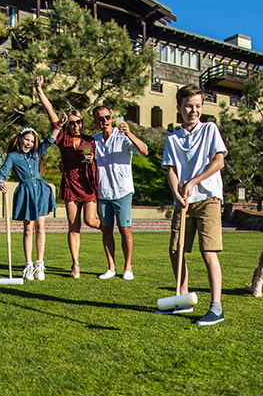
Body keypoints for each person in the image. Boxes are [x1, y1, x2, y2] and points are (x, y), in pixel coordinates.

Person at [161, 84, 228, 326]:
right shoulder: (173, 138)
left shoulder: (210, 129)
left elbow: (218, 161)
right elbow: (170, 169)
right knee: (176, 250)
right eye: (189, 106)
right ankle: (183, 299)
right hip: (184, 201)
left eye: (198, 106)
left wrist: (194, 181)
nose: (194, 110)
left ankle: (216, 308)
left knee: (208, 251)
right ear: (179, 108)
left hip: (208, 197)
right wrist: (177, 191)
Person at [35, 76, 101, 278]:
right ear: (68, 125)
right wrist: (39, 90)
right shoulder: (62, 139)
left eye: (79, 122)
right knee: (73, 227)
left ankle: (107, 227)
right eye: (72, 123)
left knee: (90, 221)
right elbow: (51, 115)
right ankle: (75, 265)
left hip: (87, 187)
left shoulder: (89, 140)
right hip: (70, 187)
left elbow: (94, 161)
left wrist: (90, 160)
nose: (76, 126)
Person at [0, 116, 65, 281]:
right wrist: (0, 183)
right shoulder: (12, 156)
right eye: (26, 140)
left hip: (41, 191)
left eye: (32, 141)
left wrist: (60, 124)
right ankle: (28, 265)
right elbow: (1, 173)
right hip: (26, 193)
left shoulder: (36, 154)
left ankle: (39, 264)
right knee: (28, 228)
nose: (29, 143)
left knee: (40, 227)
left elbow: (50, 139)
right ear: (20, 139)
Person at [92, 105, 149, 280]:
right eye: (100, 118)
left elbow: (145, 151)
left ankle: (128, 267)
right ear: (96, 121)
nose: (105, 121)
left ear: (112, 118)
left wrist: (129, 133)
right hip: (103, 193)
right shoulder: (93, 140)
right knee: (106, 230)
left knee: (125, 230)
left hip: (122, 191)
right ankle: (111, 267)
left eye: (107, 117)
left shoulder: (123, 137)